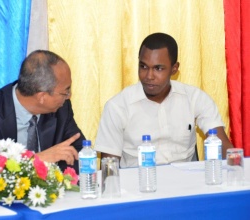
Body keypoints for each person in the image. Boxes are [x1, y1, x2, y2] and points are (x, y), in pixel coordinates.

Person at [94, 33, 233, 168]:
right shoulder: (117, 106)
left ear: (174, 69)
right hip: (138, 185)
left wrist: (238, 170)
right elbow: (109, 169)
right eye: (143, 66)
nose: (149, 76)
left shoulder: (194, 98)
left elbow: (222, 144)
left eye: (158, 68)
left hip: (186, 185)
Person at [0, 50, 85, 173]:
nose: (69, 96)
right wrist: (36, 160)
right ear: (42, 96)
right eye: (65, 91)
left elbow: (80, 152)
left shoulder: (61, 108)